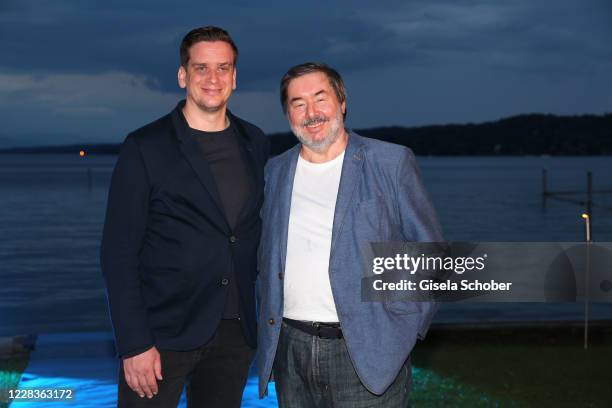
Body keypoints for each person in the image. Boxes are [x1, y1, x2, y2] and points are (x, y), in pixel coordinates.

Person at [100, 26, 268, 408]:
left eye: (223, 68)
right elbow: (117, 254)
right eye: (202, 68)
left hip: (233, 332)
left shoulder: (254, 141)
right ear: (182, 75)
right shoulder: (145, 146)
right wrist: (134, 343)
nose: (213, 79)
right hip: (160, 337)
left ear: (235, 77)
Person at [257, 62, 442, 407]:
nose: (311, 113)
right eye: (298, 103)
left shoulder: (390, 162)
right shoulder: (276, 171)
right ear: (288, 114)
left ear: (342, 101)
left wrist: (403, 330)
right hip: (291, 350)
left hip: (366, 354)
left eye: (320, 98)